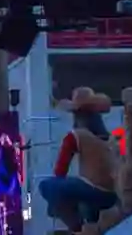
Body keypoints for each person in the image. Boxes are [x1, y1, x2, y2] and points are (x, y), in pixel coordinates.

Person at [37, 87, 121, 233]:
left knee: (47, 186)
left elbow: (60, 171)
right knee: (78, 187)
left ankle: (76, 228)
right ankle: (88, 222)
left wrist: (55, 205)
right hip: (112, 194)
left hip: (94, 191)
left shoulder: (76, 135)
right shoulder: (110, 138)